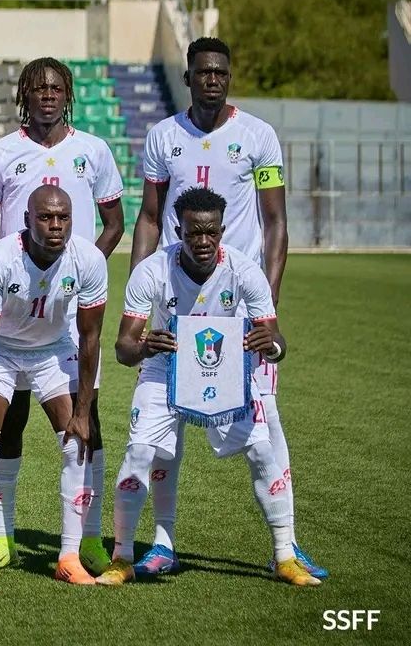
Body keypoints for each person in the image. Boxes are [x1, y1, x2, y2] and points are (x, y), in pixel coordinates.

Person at [129, 36, 325, 579]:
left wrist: (267, 301)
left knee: (266, 427)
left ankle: (285, 547)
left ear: (228, 77)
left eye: (221, 72)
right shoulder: (164, 136)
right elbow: (150, 218)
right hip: (175, 301)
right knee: (165, 429)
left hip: (238, 304)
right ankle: (162, 543)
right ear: (188, 77)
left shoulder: (258, 136)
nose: (212, 80)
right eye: (203, 72)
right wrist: (140, 299)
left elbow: (276, 221)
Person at [97, 187, 319, 588]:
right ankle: (122, 557)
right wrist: (146, 345)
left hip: (226, 369)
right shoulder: (151, 271)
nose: (203, 241)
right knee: (141, 451)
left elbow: (277, 342)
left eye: (211, 232)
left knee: (263, 449)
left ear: (222, 230)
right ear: (178, 231)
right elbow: (123, 349)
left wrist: (272, 345)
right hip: (164, 367)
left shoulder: (244, 270)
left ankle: (285, 556)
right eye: (193, 233)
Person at [0, 56, 125, 574]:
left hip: (66, 314)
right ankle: (2, 536)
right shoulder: (1, 152)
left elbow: (113, 222)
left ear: (68, 95)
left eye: (56, 88)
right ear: (24, 95)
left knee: (87, 423)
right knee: (7, 422)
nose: (47, 95)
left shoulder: (94, 150)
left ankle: (90, 538)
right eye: (37, 88)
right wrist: (22, 280)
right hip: (14, 313)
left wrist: (75, 275)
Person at [0, 184, 107, 587]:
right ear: (27, 220)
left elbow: (90, 337)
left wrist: (82, 412)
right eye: (45, 217)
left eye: (63, 217)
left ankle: (69, 556)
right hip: (1, 349)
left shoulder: (89, 259)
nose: (55, 225)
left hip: (53, 350)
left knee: (78, 441)